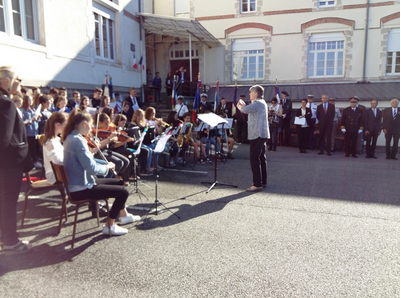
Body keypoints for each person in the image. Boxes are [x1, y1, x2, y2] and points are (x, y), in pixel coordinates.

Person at [62, 109, 140, 236]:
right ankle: (109, 226)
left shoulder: (70, 137)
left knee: (119, 183)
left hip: (79, 182)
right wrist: (107, 168)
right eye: (91, 125)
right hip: (81, 187)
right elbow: (91, 168)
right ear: (84, 124)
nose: (92, 128)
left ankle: (124, 215)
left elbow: (88, 161)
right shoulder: (78, 141)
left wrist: (105, 164)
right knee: (123, 191)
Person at [0, 66, 33, 253]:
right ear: (7, 81)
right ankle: (11, 241)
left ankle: (7, 238)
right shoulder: (7, 103)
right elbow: (4, 138)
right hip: (9, 164)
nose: (19, 83)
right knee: (8, 201)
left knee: (5, 201)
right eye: (17, 79)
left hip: (6, 163)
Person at [237, 85, 269, 192]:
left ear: (256, 93)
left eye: (251, 92)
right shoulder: (261, 103)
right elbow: (250, 109)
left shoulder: (258, 103)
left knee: (254, 158)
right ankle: (262, 181)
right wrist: (244, 107)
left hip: (257, 134)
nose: (249, 94)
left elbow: (245, 110)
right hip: (261, 134)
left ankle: (257, 184)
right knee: (261, 158)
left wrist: (240, 106)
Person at [41, 112, 67, 184]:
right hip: (54, 176)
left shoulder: (56, 139)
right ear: (57, 125)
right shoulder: (50, 142)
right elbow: (58, 162)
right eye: (65, 124)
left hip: (58, 173)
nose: (67, 127)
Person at [21, 94, 41, 167]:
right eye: (29, 100)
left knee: (34, 147)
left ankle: (34, 160)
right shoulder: (23, 110)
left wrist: (38, 117)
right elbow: (23, 121)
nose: (31, 101)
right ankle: (32, 162)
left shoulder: (32, 109)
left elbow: (36, 120)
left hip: (34, 132)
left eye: (31, 100)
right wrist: (31, 120)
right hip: (28, 132)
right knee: (30, 148)